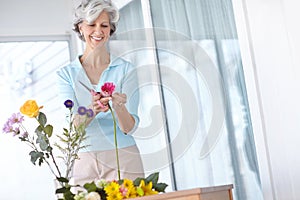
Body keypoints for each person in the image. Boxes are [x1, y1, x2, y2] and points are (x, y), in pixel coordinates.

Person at [56, 0, 144, 187]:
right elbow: (73, 128)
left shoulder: (125, 70)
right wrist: (92, 109)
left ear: (110, 30)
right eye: (91, 24)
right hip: (83, 160)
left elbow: (129, 128)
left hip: (124, 156)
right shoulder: (66, 75)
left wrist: (119, 106)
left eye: (104, 25)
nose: (98, 31)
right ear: (80, 28)